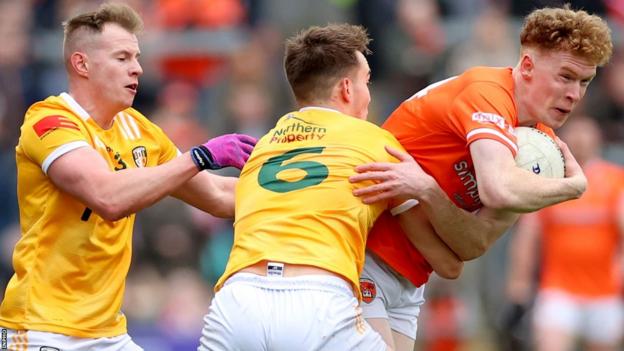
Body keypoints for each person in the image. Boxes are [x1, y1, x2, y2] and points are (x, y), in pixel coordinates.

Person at [348, 5, 613, 350]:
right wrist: (572, 187)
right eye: (565, 77)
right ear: (528, 66)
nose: (574, 94)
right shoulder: (486, 92)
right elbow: (497, 189)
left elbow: (473, 244)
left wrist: (428, 192)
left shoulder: (541, 149)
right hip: (363, 254)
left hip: (410, 280)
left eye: (584, 82)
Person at [0, 3, 256, 351]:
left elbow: (218, 195)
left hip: (108, 334)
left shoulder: (140, 130)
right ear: (82, 63)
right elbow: (108, 198)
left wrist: (303, 190)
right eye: (122, 58)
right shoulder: (49, 122)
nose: (136, 68)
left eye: (136, 57)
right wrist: (200, 156)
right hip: (42, 330)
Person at [506, 116, 624, 351]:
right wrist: (518, 287)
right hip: (558, 290)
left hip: (605, 291)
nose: (580, 139)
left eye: (586, 132)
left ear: (598, 138)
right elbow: (528, 238)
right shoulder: (549, 182)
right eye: (575, 132)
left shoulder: (614, 180)